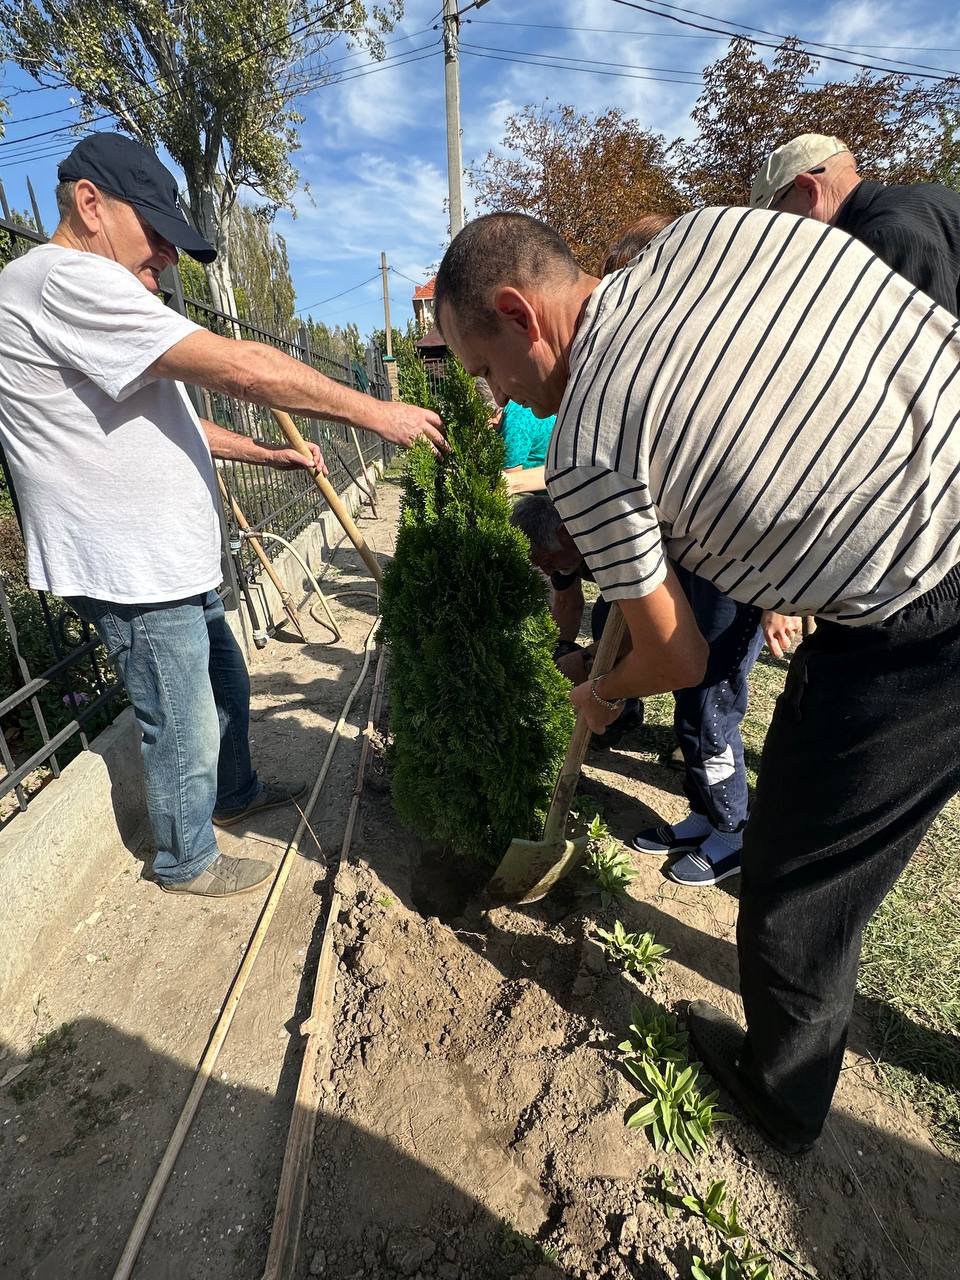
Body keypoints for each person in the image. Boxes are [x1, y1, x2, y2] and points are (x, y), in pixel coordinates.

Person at [432, 208, 960, 1155]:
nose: (496, 394)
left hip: (925, 604)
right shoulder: (708, 233)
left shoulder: (586, 449)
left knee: (795, 863)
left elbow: (681, 660)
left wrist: (602, 692)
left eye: (483, 370)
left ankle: (782, 1092)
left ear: (520, 315)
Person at [0, 132, 444, 899]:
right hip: (131, 564)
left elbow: (177, 427)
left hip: (171, 555)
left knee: (226, 684)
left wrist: (268, 457)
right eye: (159, 233)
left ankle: (233, 791)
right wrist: (376, 412)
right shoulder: (63, 280)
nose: (169, 255)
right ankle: (185, 859)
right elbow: (243, 366)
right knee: (182, 721)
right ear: (90, 205)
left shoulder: (92, 301)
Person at [598, 215, 765, 883]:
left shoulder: (720, 353)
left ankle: (733, 829)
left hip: (735, 566)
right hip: (692, 555)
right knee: (689, 695)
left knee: (713, 698)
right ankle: (703, 810)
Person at [751, 133, 960, 655]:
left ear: (806, 188)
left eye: (779, 222)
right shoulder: (920, 204)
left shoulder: (882, 240)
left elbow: (909, 404)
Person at [749, 132, 960, 314]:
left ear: (809, 189)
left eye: (776, 218)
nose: (780, 234)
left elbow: (923, 356)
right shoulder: (931, 197)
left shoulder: (880, 240)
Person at [510, 495, 643, 750]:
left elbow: (640, 630)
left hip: (700, 591)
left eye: (548, 562)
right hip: (621, 597)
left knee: (606, 618)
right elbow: (567, 604)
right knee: (599, 621)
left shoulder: (612, 544)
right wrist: (558, 653)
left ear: (565, 533)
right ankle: (609, 701)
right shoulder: (563, 552)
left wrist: (585, 660)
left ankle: (623, 705)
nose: (548, 572)